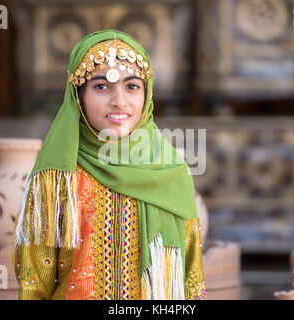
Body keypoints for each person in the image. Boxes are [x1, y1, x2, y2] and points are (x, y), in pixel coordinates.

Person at [12, 29, 206, 300]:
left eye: (132, 86)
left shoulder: (171, 175)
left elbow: (191, 283)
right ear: (78, 97)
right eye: (101, 86)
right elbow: (34, 285)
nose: (119, 101)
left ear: (147, 95)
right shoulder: (58, 179)